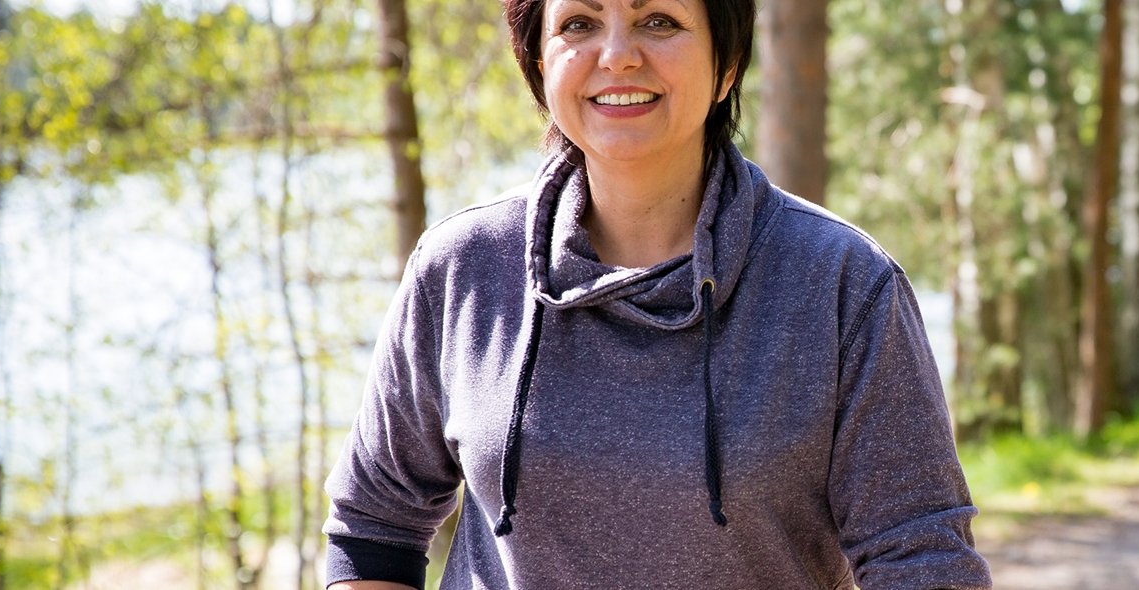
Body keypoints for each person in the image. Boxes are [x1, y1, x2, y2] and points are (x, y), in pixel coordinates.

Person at [320, 0, 991, 588]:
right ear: (538, 64)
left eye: (659, 21)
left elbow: (923, 561)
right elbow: (372, 529)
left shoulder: (842, 282)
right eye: (579, 22)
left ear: (727, 65)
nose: (617, 55)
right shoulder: (463, 268)